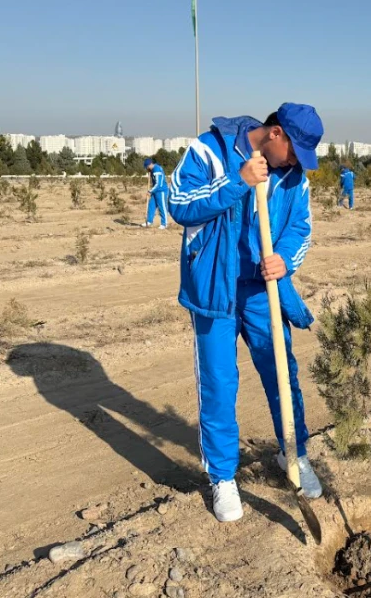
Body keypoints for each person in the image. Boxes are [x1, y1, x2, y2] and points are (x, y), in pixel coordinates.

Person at [169, 102, 323, 523]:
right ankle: (223, 477)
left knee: (281, 372)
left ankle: (293, 454)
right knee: (219, 384)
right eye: (294, 151)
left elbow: (300, 228)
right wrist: (238, 183)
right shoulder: (208, 151)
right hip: (215, 290)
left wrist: (285, 260)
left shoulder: (294, 178)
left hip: (262, 290)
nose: (296, 162)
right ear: (276, 134)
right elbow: (179, 204)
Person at [142, 158, 169, 229]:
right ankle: (149, 221)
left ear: (149, 165)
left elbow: (158, 184)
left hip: (161, 191)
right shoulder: (152, 170)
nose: (146, 168)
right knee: (151, 205)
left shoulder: (157, 169)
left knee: (162, 207)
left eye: (147, 167)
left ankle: (164, 223)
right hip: (155, 191)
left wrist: (150, 191)